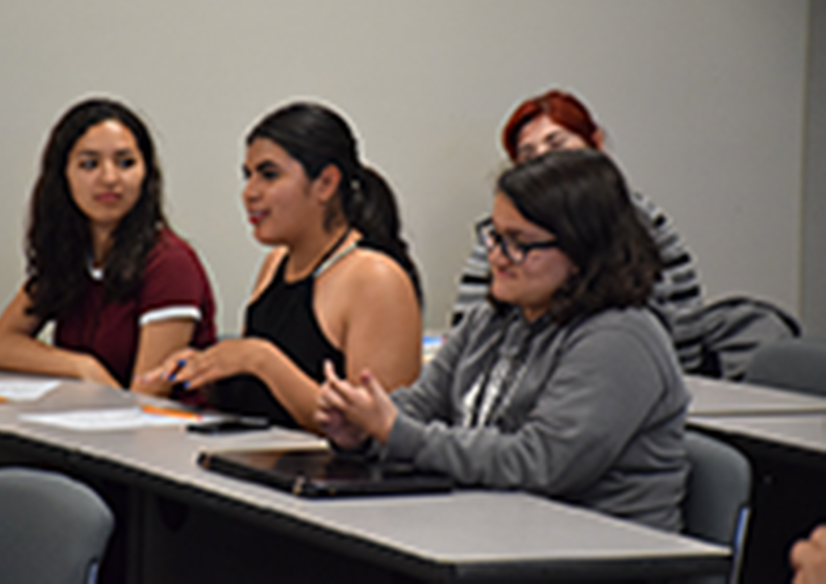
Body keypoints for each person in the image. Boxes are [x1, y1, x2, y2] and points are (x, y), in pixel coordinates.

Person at [318, 149, 690, 532]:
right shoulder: (492, 319)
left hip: (601, 548)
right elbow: (421, 408)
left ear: (582, 250)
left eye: (520, 243)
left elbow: (540, 463)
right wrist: (363, 431)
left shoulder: (620, 338)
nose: (497, 256)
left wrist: (397, 433)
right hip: (503, 532)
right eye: (495, 236)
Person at [142, 101, 422, 431]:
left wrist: (260, 359)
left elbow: (374, 431)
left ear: (326, 183)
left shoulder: (375, 278)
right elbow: (261, 399)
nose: (250, 193)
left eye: (269, 175)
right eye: (247, 176)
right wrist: (207, 371)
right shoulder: (275, 263)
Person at [452, 89, 706, 371]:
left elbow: (684, 324)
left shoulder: (640, 223)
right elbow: (466, 326)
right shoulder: (503, 230)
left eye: (557, 144)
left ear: (595, 143)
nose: (546, 160)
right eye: (528, 155)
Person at [0, 97, 216, 391]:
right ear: (63, 176)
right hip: (91, 418)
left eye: (126, 163)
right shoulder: (71, 253)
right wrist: (82, 366)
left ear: (146, 174)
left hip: (162, 421)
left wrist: (97, 384)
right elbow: (1, 344)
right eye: (90, 164)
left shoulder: (170, 263)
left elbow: (147, 397)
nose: (109, 178)